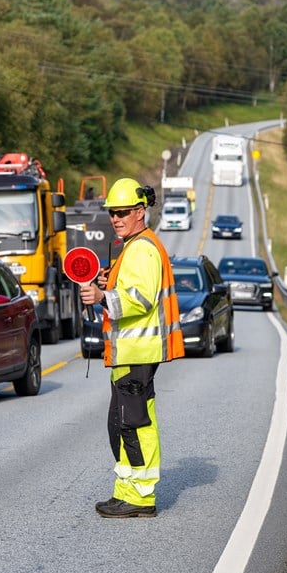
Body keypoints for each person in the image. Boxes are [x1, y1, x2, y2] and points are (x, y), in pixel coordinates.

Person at [79, 177, 185, 518]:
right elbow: (131, 288)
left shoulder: (141, 248)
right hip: (131, 353)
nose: (116, 218)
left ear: (141, 211)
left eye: (123, 212)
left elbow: (139, 299)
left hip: (137, 351)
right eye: (112, 212)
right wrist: (108, 282)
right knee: (123, 423)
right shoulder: (136, 246)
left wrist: (101, 296)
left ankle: (140, 498)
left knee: (133, 424)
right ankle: (126, 492)